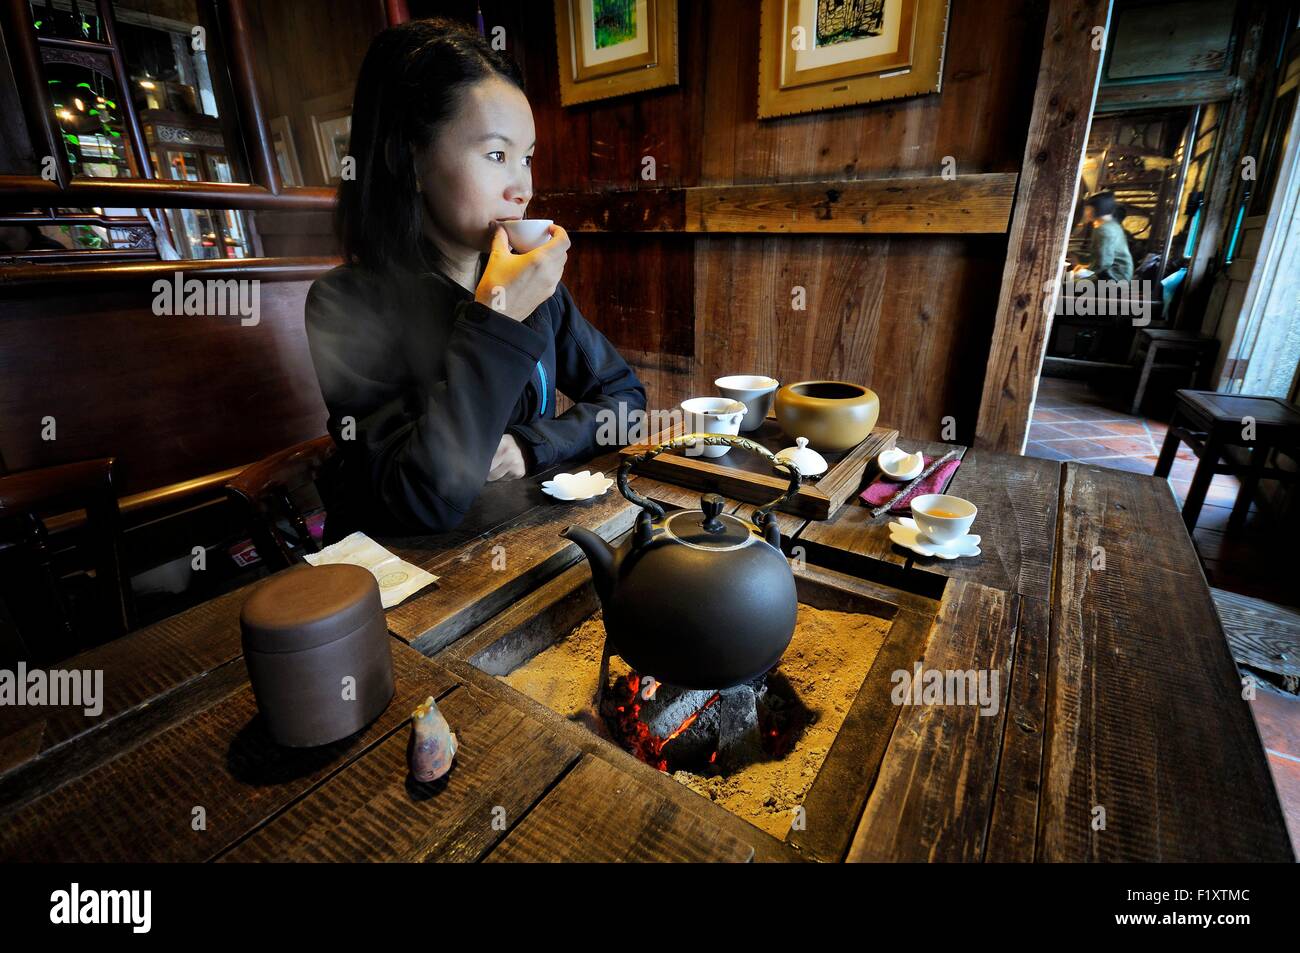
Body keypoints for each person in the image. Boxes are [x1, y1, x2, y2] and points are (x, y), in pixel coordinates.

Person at [305, 18, 646, 536]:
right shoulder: (346, 303)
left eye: (527, 158)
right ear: (411, 160)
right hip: (409, 584)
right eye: (496, 154)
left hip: (518, 543)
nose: (522, 187)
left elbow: (626, 402)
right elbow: (421, 499)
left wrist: (532, 447)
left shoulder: (532, 285)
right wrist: (497, 316)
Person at [1072, 191, 1133, 282]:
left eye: (1086, 208)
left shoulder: (1104, 230)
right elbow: (1101, 258)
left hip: (1114, 277)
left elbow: (1104, 264)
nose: (1084, 212)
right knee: (1070, 278)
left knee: (1065, 284)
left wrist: (1084, 272)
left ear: (1093, 210)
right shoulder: (1110, 225)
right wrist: (1086, 266)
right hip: (1118, 274)